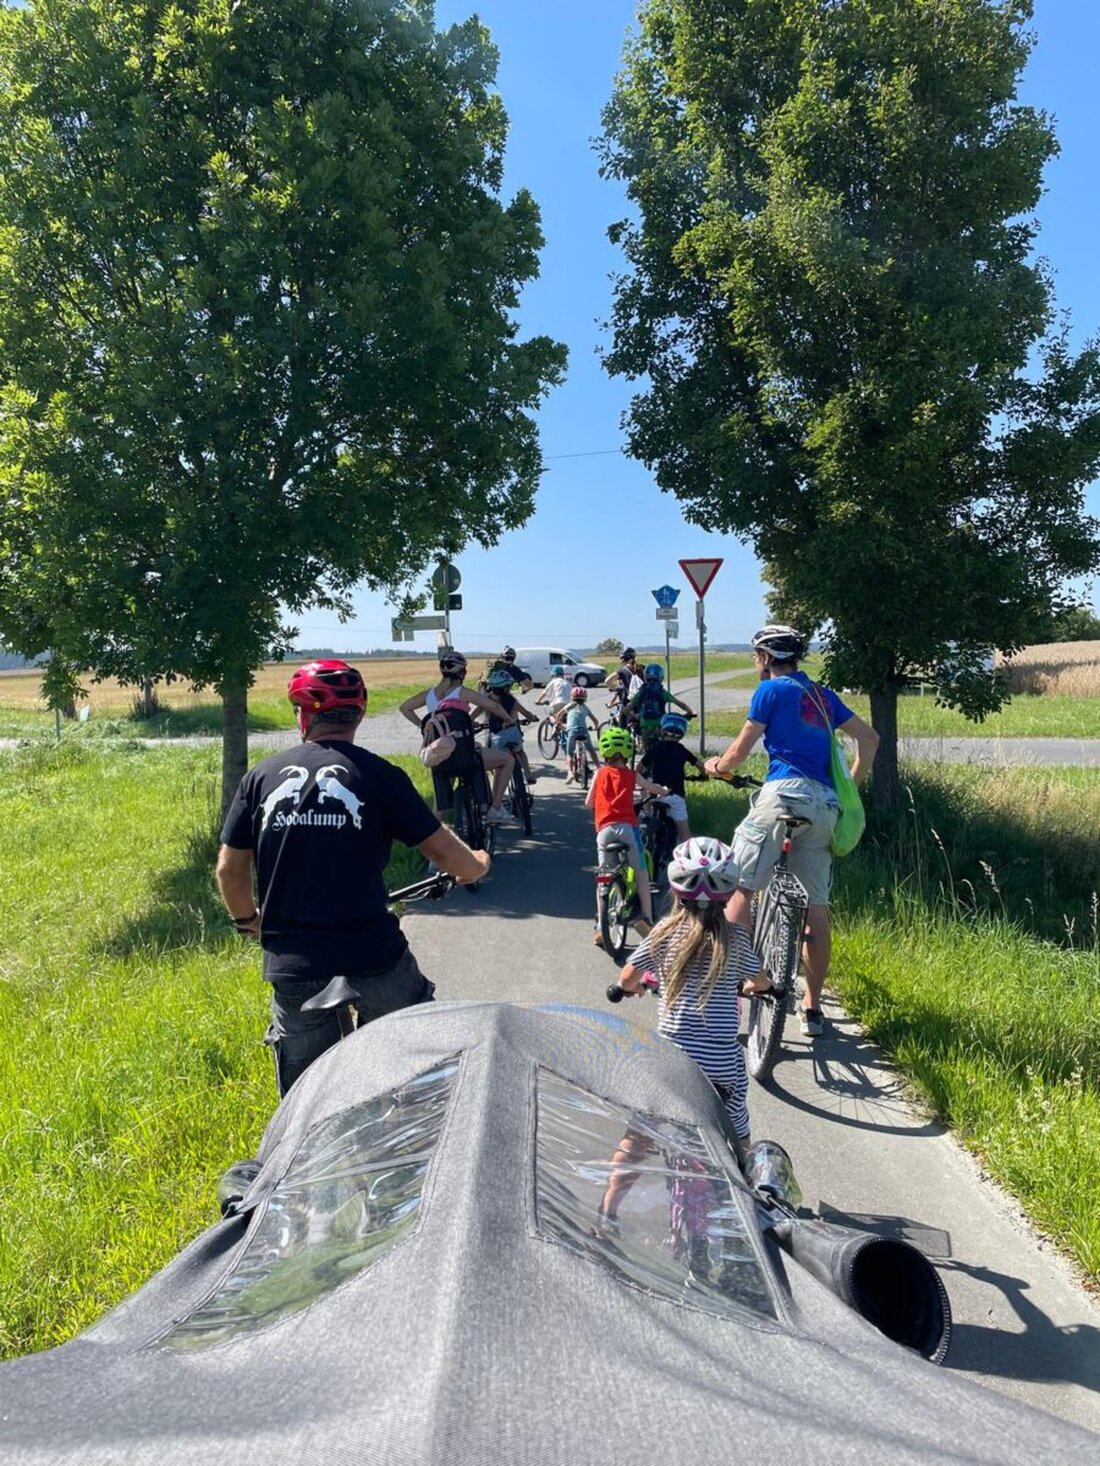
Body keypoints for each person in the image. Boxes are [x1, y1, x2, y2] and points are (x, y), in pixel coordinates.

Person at [216, 659, 490, 1096]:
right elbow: (445, 853)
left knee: (306, 1095)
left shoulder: (261, 778)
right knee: (411, 1054)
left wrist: (247, 919)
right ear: (359, 716)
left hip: (294, 959)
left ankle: (307, 1151)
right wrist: (477, 864)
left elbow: (230, 868)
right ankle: (411, 1129)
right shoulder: (381, 776)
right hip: (372, 952)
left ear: (302, 715)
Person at [703, 624, 879, 1038]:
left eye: (755, 657)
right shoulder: (823, 695)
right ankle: (813, 1008)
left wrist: (717, 767)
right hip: (825, 806)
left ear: (764, 657)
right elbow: (869, 738)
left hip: (783, 794)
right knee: (816, 906)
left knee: (739, 885)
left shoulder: (771, 690)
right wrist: (849, 787)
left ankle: (747, 978)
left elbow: (739, 751)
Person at [610, 837, 759, 1150]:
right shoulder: (736, 940)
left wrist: (628, 988)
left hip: (672, 1062)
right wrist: (766, 988)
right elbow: (758, 981)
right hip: (718, 1064)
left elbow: (626, 977)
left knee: (637, 1135)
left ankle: (609, 1198)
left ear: (676, 889)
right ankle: (746, 1176)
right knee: (737, 1124)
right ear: (728, 892)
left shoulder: (663, 933)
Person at [399, 650, 516, 824]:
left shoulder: (429, 694)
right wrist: (509, 720)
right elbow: (494, 707)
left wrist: (423, 726)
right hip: (464, 753)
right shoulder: (462, 692)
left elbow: (405, 708)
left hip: (439, 755)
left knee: (439, 807)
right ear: (462, 673)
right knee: (507, 760)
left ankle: (428, 844)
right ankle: (495, 809)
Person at [585, 724, 667, 943]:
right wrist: (664, 791)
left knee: (604, 876)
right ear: (629, 751)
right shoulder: (631, 775)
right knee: (641, 871)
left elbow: (588, 802)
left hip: (604, 831)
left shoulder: (599, 774)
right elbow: (651, 788)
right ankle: (647, 919)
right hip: (627, 828)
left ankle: (601, 928)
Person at [638, 712, 705, 842]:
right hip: (676, 796)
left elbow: (639, 768)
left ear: (662, 730)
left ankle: (647, 816)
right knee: (685, 836)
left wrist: (644, 779)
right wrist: (703, 775)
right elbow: (700, 765)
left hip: (655, 794)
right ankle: (686, 857)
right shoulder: (682, 750)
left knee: (645, 792)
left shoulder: (655, 748)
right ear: (682, 733)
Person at [483, 666, 539, 784]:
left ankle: (497, 792)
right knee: (520, 751)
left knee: (499, 765)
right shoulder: (512, 700)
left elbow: (474, 714)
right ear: (507, 687)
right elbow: (526, 713)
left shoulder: (487, 701)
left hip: (497, 737)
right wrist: (532, 718)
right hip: (513, 734)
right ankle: (528, 774)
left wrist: (473, 724)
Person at [629, 663, 693, 754]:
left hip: (645, 728)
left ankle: (647, 767)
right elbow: (680, 704)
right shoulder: (662, 692)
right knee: (663, 751)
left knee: (648, 754)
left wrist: (635, 716)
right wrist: (689, 712)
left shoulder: (641, 693)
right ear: (661, 678)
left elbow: (626, 709)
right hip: (661, 727)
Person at [554, 685, 600, 783]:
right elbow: (595, 721)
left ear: (572, 697)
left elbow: (558, 716)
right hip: (584, 731)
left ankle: (570, 772)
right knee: (591, 750)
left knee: (570, 753)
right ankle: (599, 768)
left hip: (572, 731)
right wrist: (595, 727)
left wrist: (558, 724)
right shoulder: (585, 707)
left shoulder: (569, 706)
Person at [604, 647, 642, 725]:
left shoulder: (622, 671)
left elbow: (607, 681)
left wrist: (617, 688)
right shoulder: (642, 668)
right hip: (642, 703)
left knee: (622, 727)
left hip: (628, 704)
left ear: (623, 659)